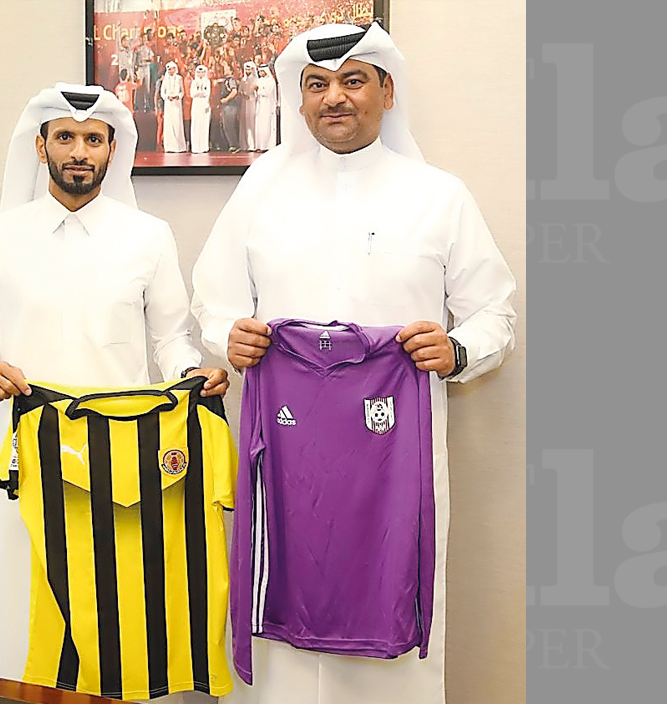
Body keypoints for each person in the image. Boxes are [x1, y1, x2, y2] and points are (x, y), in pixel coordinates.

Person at [191, 22, 516, 704]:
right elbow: (213, 303)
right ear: (299, 101)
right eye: (317, 86)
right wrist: (230, 338)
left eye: (352, 81)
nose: (334, 98)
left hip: (395, 455)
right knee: (280, 612)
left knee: (388, 608)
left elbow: (495, 315)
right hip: (283, 449)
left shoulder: (439, 196)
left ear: (386, 91)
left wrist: (455, 351)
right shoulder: (259, 190)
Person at [0, 83, 229, 700]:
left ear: (112, 151)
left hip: (125, 460)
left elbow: (173, 341)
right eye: (66, 138)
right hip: (29, 446)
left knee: (116, 601)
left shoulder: (149, 236)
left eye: (93, 140)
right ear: (40, 147)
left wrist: (193, 376)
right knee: (25, 590)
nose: (79, 151)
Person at [160, 61, 187, 152]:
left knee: (177, 124)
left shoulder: (179, 78)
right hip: (168, 104)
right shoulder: (165, 79)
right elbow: (162, 93)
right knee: (169, 124)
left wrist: (178, 96)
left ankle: (179, 146)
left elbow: (182, 92)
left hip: (177, 104)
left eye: (172, 69)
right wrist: (168, 97)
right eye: (169, 69)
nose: (171, 71)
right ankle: (169, 146)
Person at [215, 61, 240, 152]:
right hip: (226, 106)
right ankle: (231, 144)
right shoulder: (225, 80)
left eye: (226, 67)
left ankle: (234, 145)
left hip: (230, 106)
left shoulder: (231, 80)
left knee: (229, 125)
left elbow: (234, 91)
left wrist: (226, 99)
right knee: (225, 126)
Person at [253, 64, 277, 151]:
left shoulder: (271, 81)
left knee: (266, 125)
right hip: (260, 104)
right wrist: (256, 90)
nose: (260, 73)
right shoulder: (260, 80)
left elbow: (267, 92)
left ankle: (267, 146)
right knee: (259, 125)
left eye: (261, 71)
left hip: (267, 105)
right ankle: (260, 145)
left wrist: (258, 89)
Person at [190, 64, 212, 153]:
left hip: (204, 104)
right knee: (196, 125)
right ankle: (195, 147)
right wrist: (200, 93)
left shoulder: (207, 82)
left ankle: (203, 147)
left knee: (204, 125)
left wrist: (200, 94)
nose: (200, 74)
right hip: (196, 104)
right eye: (198, 72)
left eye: (202, 72)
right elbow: (192, 94)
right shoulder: (194, 82)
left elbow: (207, 93)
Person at [237, 61, 258, 151]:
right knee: (244, 123)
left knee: (252, 123)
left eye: (249, 69)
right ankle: (245, 145)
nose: (247, 71)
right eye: (246, 69)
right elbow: (239, 91)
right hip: (244, 103)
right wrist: (242, 93)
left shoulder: (256, 80)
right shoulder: (243, 80)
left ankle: (253, 145)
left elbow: (257, 92)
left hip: (252, 102)